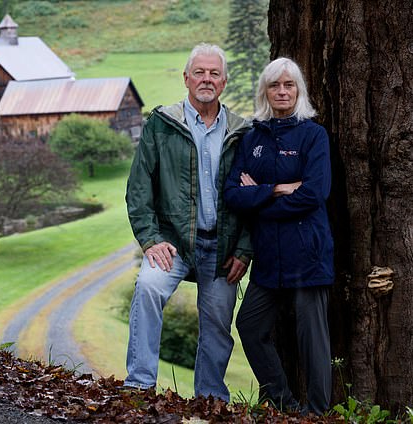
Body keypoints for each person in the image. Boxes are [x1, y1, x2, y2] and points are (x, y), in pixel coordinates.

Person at [124, 43, 253, 401]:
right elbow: (138, 190)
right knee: (148, 288)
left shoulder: (243, 133)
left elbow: (253, 200)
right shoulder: (162, 125)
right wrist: (150, 240)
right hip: (173, 242)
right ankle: (139, 386)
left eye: (214, 73)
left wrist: (244, 249)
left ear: (224, 82)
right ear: (186, 78)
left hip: (224, 247)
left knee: (217, 323)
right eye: (199, 72)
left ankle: (210, 398)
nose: (206, 79)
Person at [223, 57, 334, 415]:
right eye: (275, 85)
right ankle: (282, 402)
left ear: (298, 90)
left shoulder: (313, 135)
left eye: (289, 85)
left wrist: (259, 198)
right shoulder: (252, 138)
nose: (282, 91)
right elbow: (233, 194)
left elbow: (314, 194)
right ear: (265, 92)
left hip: (308, 252)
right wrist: (276, 190)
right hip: (269, 256)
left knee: (311, 338)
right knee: (249, 325)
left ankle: (317, 412)